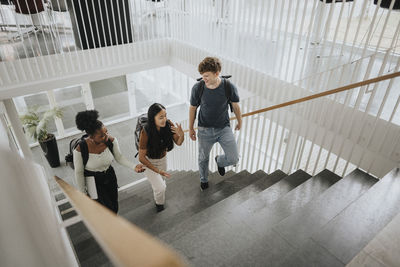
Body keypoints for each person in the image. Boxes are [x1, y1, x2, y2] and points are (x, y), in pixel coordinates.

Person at [73, 110, 145, 213]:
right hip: (94, 181)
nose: (106, 136)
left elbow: (119, 157)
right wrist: (83, 194)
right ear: (91, 137)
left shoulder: (111, 141)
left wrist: (134, 166)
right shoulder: (80, 149)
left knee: (114, 204)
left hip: (109, 177)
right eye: (101, 135)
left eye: (106, 131)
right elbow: (78, 173)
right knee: (106, 208)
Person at [189, 57, 242, 191]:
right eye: (202, 75)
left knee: (234, 158)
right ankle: (204, 179)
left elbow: (235, 106)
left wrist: (240, 121)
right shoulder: (198, 87)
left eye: (206, 75)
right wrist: (190, 128)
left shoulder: (228, 86)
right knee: (203, 158)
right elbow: (193, 108)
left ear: (217, 73)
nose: (203, 78)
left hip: (223, 128)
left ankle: (219, 161)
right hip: (204, 130)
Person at [138, 103, 184, 212]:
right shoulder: (145, 132)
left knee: (159, 184)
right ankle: (159, 204)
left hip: (163, 160)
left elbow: (178, 142)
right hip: (148, 162)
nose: (164, 119)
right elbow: (141, 157)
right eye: (161, 117)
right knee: (161, 187)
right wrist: (157, 171)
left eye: (165, 116)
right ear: (152, 118)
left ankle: (158, 194)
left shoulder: (168, 124)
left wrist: (181, 135)